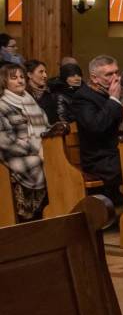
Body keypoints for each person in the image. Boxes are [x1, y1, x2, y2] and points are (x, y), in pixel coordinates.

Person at [71, 55, 123, 204]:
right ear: (94, 78)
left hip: (121, 151)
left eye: (116, 72)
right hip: (100, 160)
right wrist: (114, 100)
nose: (116, 78)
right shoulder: (83, 97)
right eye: (109, 74)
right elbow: (95, 126)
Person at [0, 63, 49, 221]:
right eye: (14, 78)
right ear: (4, 81)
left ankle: (53, 211)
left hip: (39, 150)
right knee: (39, 163)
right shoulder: (2, 105)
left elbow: (46, 128)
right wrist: (36, 149)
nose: (20, 80)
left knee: (56, 161)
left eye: (22, 77)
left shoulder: (31, 102)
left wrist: (46, 147)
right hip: (13, 154)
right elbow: (5, 140)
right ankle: (30, 214)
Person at [25, 59, 68, 125]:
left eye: (45, 72)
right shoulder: (23, 94)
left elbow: (54, 120)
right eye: (41, 72)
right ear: (30, 74)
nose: (45, 75)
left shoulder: (49, 94)